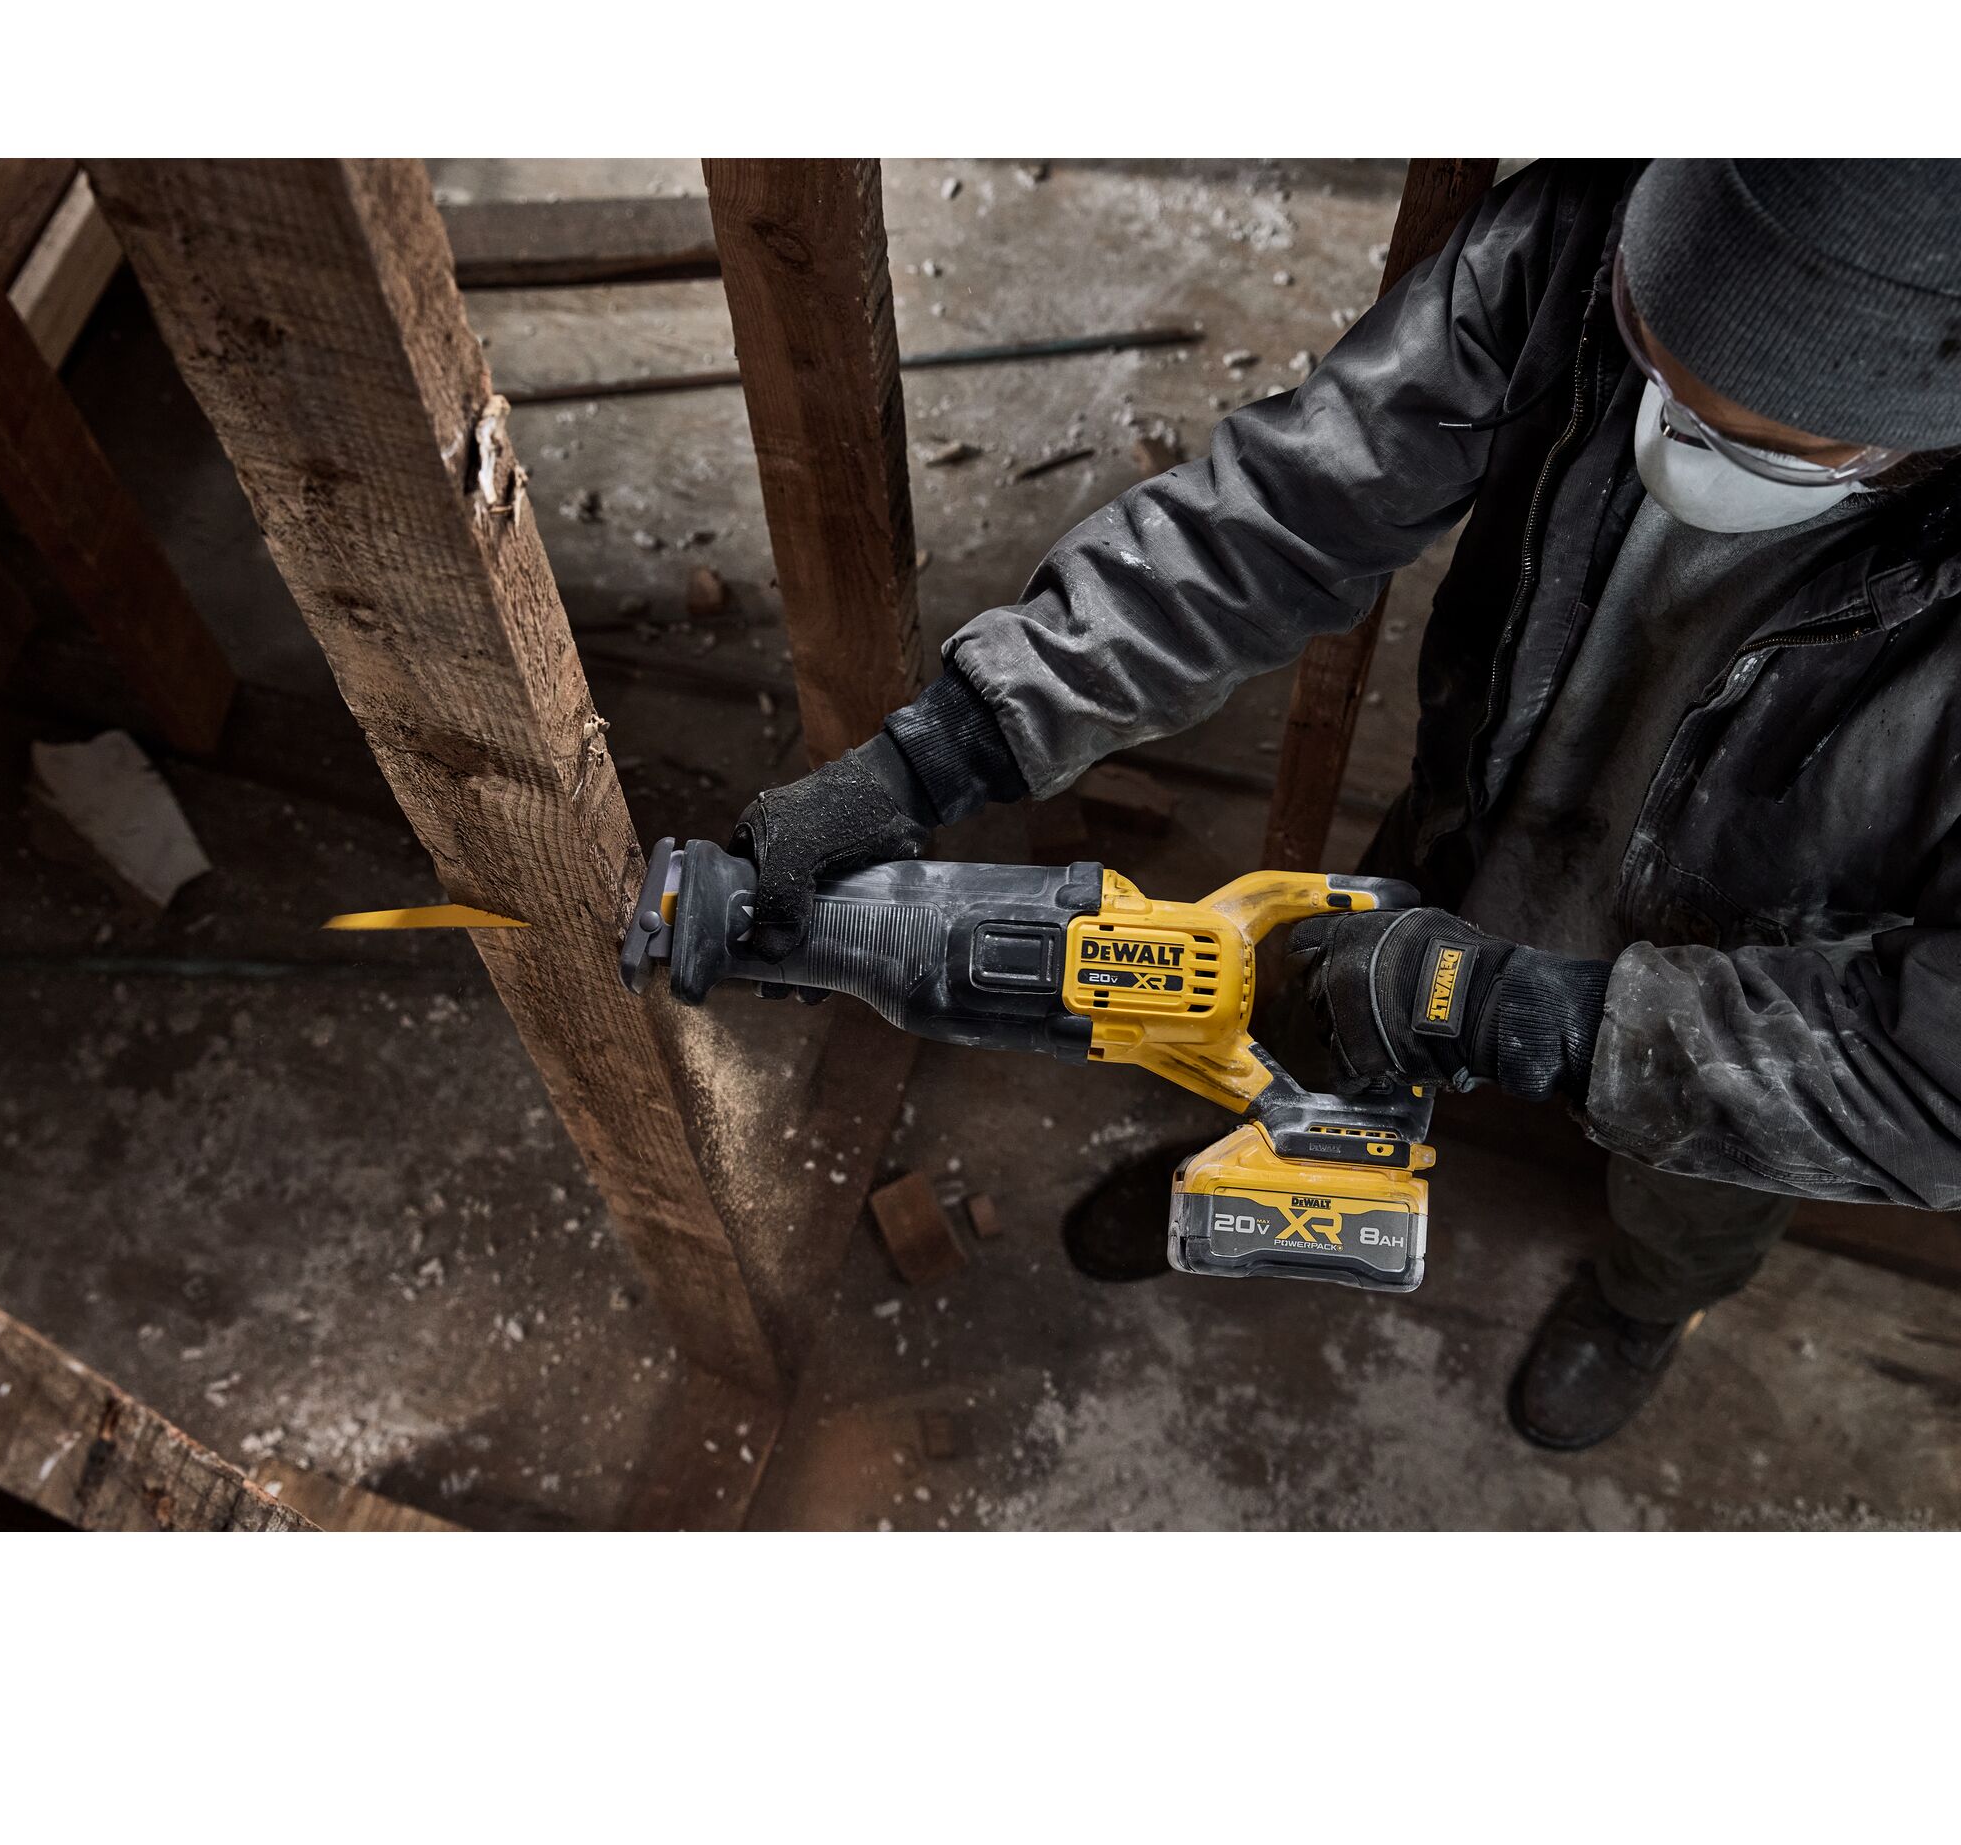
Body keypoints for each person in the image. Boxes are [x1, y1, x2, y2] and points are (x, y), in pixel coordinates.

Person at [728, 159, 1961, 1451]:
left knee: (1694, 1186)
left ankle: (1645, 1301)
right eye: (1651, 352)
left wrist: (1551, 1024)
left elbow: (1933, 1070)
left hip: (1767, 980)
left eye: (1759, 438)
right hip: (1476, 825)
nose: (1671, 433)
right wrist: (948, 744)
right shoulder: (1575, 245)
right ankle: (1252, 1154)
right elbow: (1274, 518)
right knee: (1313, 1005)